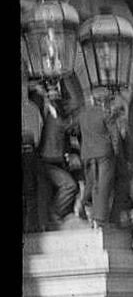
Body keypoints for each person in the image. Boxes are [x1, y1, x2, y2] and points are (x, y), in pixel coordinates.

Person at [29, 85, 77, 228]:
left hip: (53, 161)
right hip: (47, 162)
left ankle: (51, 218)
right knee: (69, 186)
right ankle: (54, 214)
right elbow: (64, 123)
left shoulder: (55, 114)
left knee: (48, 193)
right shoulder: (51, 114)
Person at [75, 91, 118, 228]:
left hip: (87, 155)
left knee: (91, 184)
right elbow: (115, 136)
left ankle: (81, 205)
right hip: (104, 154)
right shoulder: (105, 114)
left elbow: (75, 131)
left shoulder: (82, 116)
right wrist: (116, 153)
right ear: (103, 101)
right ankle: (99, 220)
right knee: (103, 186)